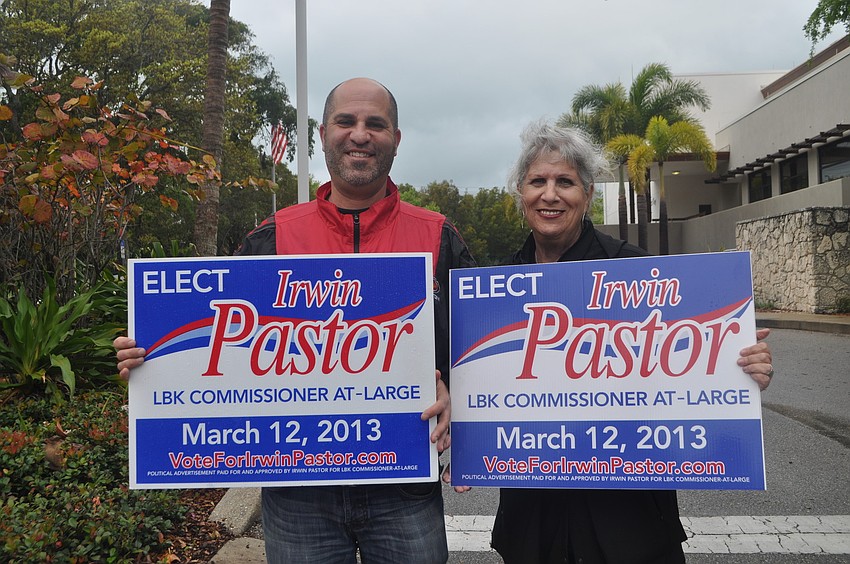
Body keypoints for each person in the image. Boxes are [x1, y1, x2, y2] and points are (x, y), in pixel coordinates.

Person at [115, 77, 476, 564]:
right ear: (324, 133)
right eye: (346, 121)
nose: (360, 134)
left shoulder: (438, 236)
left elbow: (474, 354)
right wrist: (151, 361)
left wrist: (456, 391)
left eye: (376, 124)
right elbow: (218, 346)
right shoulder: (271, 237)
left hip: (404, 484)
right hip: (297, 495)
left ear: (396, 138)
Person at [486, 121, 774, 564]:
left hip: (630, 522)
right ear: (519, 192)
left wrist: (740, 363)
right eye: (537, 181)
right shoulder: (494, 289)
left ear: (587, 194)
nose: (550, 194)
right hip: (533, 521)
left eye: (565, 182)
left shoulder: (639, 271)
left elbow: (692, 359)